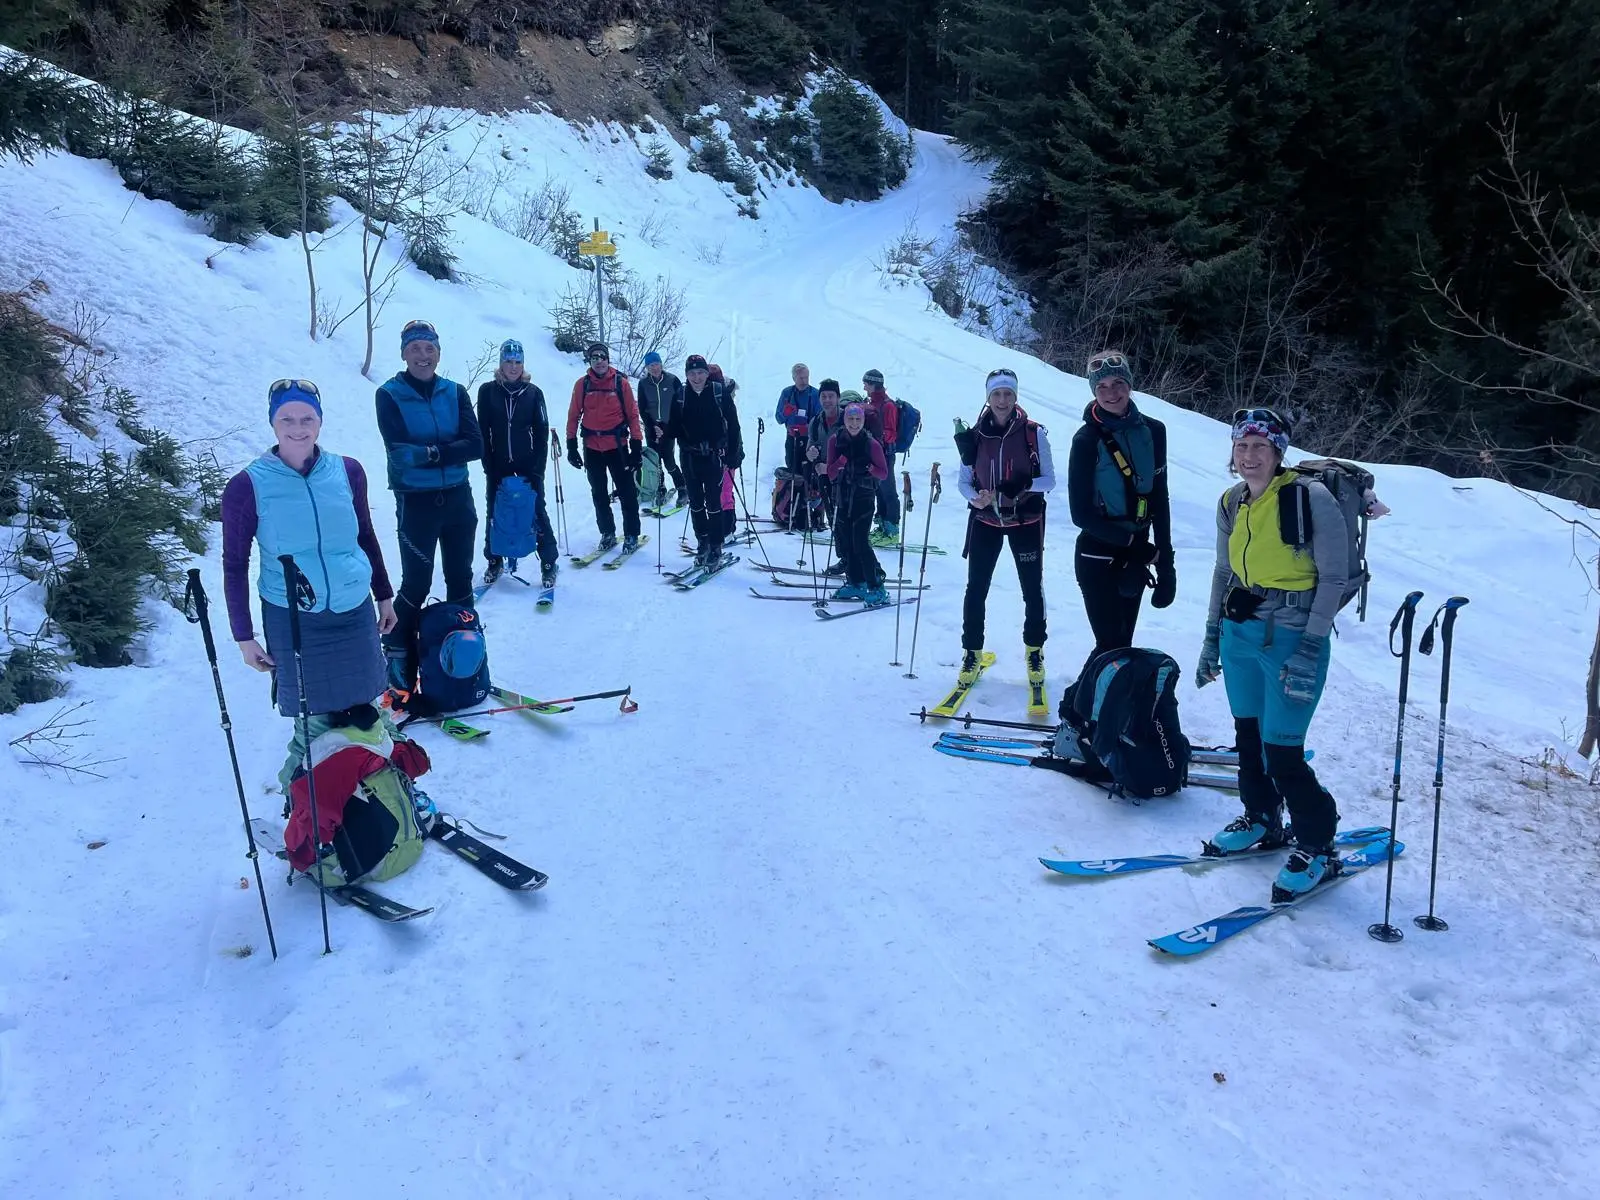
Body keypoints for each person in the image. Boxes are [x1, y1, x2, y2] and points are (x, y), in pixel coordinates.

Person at [1197, 408, 1347, 899]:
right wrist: (1211, 636)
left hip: (1290, 637)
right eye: (1242, 446)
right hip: (1240, 630)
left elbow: (1334, 578)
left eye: (1260, 447)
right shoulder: (1232, 500)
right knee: (1248, 736)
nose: (1249, 456)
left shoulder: (1310, 498)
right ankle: (1263, 818)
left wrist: (1311, 645)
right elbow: (1224, 571)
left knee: (1283, 750)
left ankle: (1319, 842)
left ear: (1279, 452)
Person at [222, 378, 397, 791]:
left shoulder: (347, 471)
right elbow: (234, 564)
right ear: (272, 422)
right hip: (294, 617)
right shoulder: (247, 486)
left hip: (354, 608)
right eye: (286, 418)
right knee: (312, 719)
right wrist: (244, 637)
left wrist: (384, 595)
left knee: (371, 705)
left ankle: (383, 784)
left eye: (307, 418)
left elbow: (366, 535)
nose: (297, 427)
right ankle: (301, 805)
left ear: (319, 422)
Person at [375, 320, 483, 691]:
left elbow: (476, 445)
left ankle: (466, 652)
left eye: (430, 348)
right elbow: (400, 454)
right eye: (415, 348)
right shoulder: (389, 395)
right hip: (416, 503)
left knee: (461, 578)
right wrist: (448, 452)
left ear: (439, 352)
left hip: (457, 499)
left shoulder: (455, 392)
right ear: (404, 353)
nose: (423, 355)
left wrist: (431, 453)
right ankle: (397, 654)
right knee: (416, 583)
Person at [1066, 350, 1173, 683]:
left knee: (1122, 645)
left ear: (1129, 385)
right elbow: (1080, 513)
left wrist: (1166, 562)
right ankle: (1076, 715)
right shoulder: (1086, 440)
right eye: (1103, 387)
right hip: (1097, 552)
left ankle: (1107, 716)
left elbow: (1159, 495)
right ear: (1094, 391)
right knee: (1110, 645)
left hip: (1137, 553)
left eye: (1118, 384)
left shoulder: (1154, 431)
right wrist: (1132, 544)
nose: (1112, 393)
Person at [954, 368, 1056, 685]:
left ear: (1015, 397)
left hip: (1025, 520)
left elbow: (1049, 480)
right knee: (976, 589)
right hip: (986, 522)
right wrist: (977, 499)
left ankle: (1035, 651)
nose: (1002, 400)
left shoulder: (1033, 433)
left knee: (1031, 589)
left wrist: (1015, 488)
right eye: (996, 394)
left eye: (1007, 394)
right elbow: (963, 482)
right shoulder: (973, 436)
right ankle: (972, 652)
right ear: (988, 398)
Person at [477, 339, 558, 589]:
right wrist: (488, 464)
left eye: (518, 362)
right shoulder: (487, 391)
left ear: (523, 365)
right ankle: (494, 559)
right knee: (495, 512)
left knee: (536, 511)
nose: (513, 367)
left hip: (528, 466)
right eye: (509, 362)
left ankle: (548, 561)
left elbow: (542, 432)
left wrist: (537, 470)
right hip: (498, 466)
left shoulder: (533, 393)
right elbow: (482, 431)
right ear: (501, 364)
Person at [566, 341, 643, 552]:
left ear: (608, 359)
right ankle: (607, 532)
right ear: (590, 362)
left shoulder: (621, 383)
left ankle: (631, 534)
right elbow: (574, 415)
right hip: (592, 447)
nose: (599, 361)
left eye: (602, 357)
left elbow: (633, 415)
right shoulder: (582, 384)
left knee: (627, 491)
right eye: (594, 358)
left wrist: (636, 446)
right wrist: (571, 445)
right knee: (598, 492)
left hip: (617, 447)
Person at [824, 401, 890, 605]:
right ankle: (855, 582)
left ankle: (877, 587)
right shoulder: (835, 440)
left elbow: (884, 473)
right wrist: (840, 463)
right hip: (842, 498)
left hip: (864, 498)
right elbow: (830, 473)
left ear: (863, 421)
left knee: (861, 542)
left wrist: (869, 467)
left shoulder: (871, 444)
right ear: (844, 420)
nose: (854, 423)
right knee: (847, 543)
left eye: (858, 419)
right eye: (850, 419)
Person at [667, 354, 729, 568]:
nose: (696, 377)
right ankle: (702, 541)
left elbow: (734, 424)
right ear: (686, 375)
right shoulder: (681, 395)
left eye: (701, 372)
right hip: (689, 456)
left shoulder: (719, 393)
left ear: (707, 374)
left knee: (713, 502)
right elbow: (673, 426)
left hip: (713, 456)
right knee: (695, 502)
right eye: (692, 373)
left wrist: (732, 453)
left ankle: (716, 544)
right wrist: (662, 432)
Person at [637, 350, 686, 510]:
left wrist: (670, 426)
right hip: (652, 428)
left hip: (669, 428)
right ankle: (660, 488)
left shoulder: (672, 380)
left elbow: (680, 405)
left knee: (668, 460)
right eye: (651, 365)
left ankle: (682, 488)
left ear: (661, 364)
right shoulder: (643, 384)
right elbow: (642, 407)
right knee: (654, 461)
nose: (654, 368)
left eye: (656, 364)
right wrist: (652, 427)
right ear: (647, 367)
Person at [807, 382, 847, 571]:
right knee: (833, 519)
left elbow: (854, 451)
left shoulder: (850, 419)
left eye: (831, 396)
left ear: (838, 398)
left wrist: (830, 467)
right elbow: (810, 445)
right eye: (824, 396)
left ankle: (855, 561)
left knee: (847, 520)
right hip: (824, 479)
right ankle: (845, 558)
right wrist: (811, 453)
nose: (827, 400)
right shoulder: (816, 421)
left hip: (847, 479)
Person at [861, 368, 900, 539]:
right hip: (875, 453)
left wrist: (874, 436)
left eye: (866, 385)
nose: (864, 388)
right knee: (879, 490)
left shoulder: (888, 405)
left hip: (885, 454)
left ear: (873, 385)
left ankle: (892, 530)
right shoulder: (873, 403)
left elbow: (892, 433)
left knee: (888, 490)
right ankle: (884, 526)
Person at [708, 363, 743, 543]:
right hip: (712, 455)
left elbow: (734, 430)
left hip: (728, 454)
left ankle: (728, 529)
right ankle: (718, 527)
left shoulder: (726, 397)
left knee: (725, 491)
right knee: (716, 491)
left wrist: (734, 455)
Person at [776, 362, 820, 475]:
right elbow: (779, 419)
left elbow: (820, 419)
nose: (804, 381)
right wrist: (785, 413)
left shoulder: (815, 394)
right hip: (792, 438)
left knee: (809, 472)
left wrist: (808, 427)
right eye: (801, 378)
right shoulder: (787, 393)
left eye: (806, 377)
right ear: (793, 378)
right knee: (792, 470)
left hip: (810, 440)